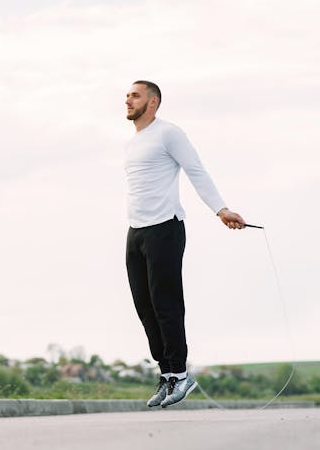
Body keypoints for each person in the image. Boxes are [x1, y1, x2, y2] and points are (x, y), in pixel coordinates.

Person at [123, 80, 246, 408]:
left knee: (166, 304)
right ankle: (166, 373)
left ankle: (180, 374)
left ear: (153, 102)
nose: (128, 100)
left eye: (135, 95)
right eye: (127, 95)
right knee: (144, 307)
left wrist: (220, 209)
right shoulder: (132, 142)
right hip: (136, 231)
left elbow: (196, 171)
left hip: (165, 227)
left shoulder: (168, 133)